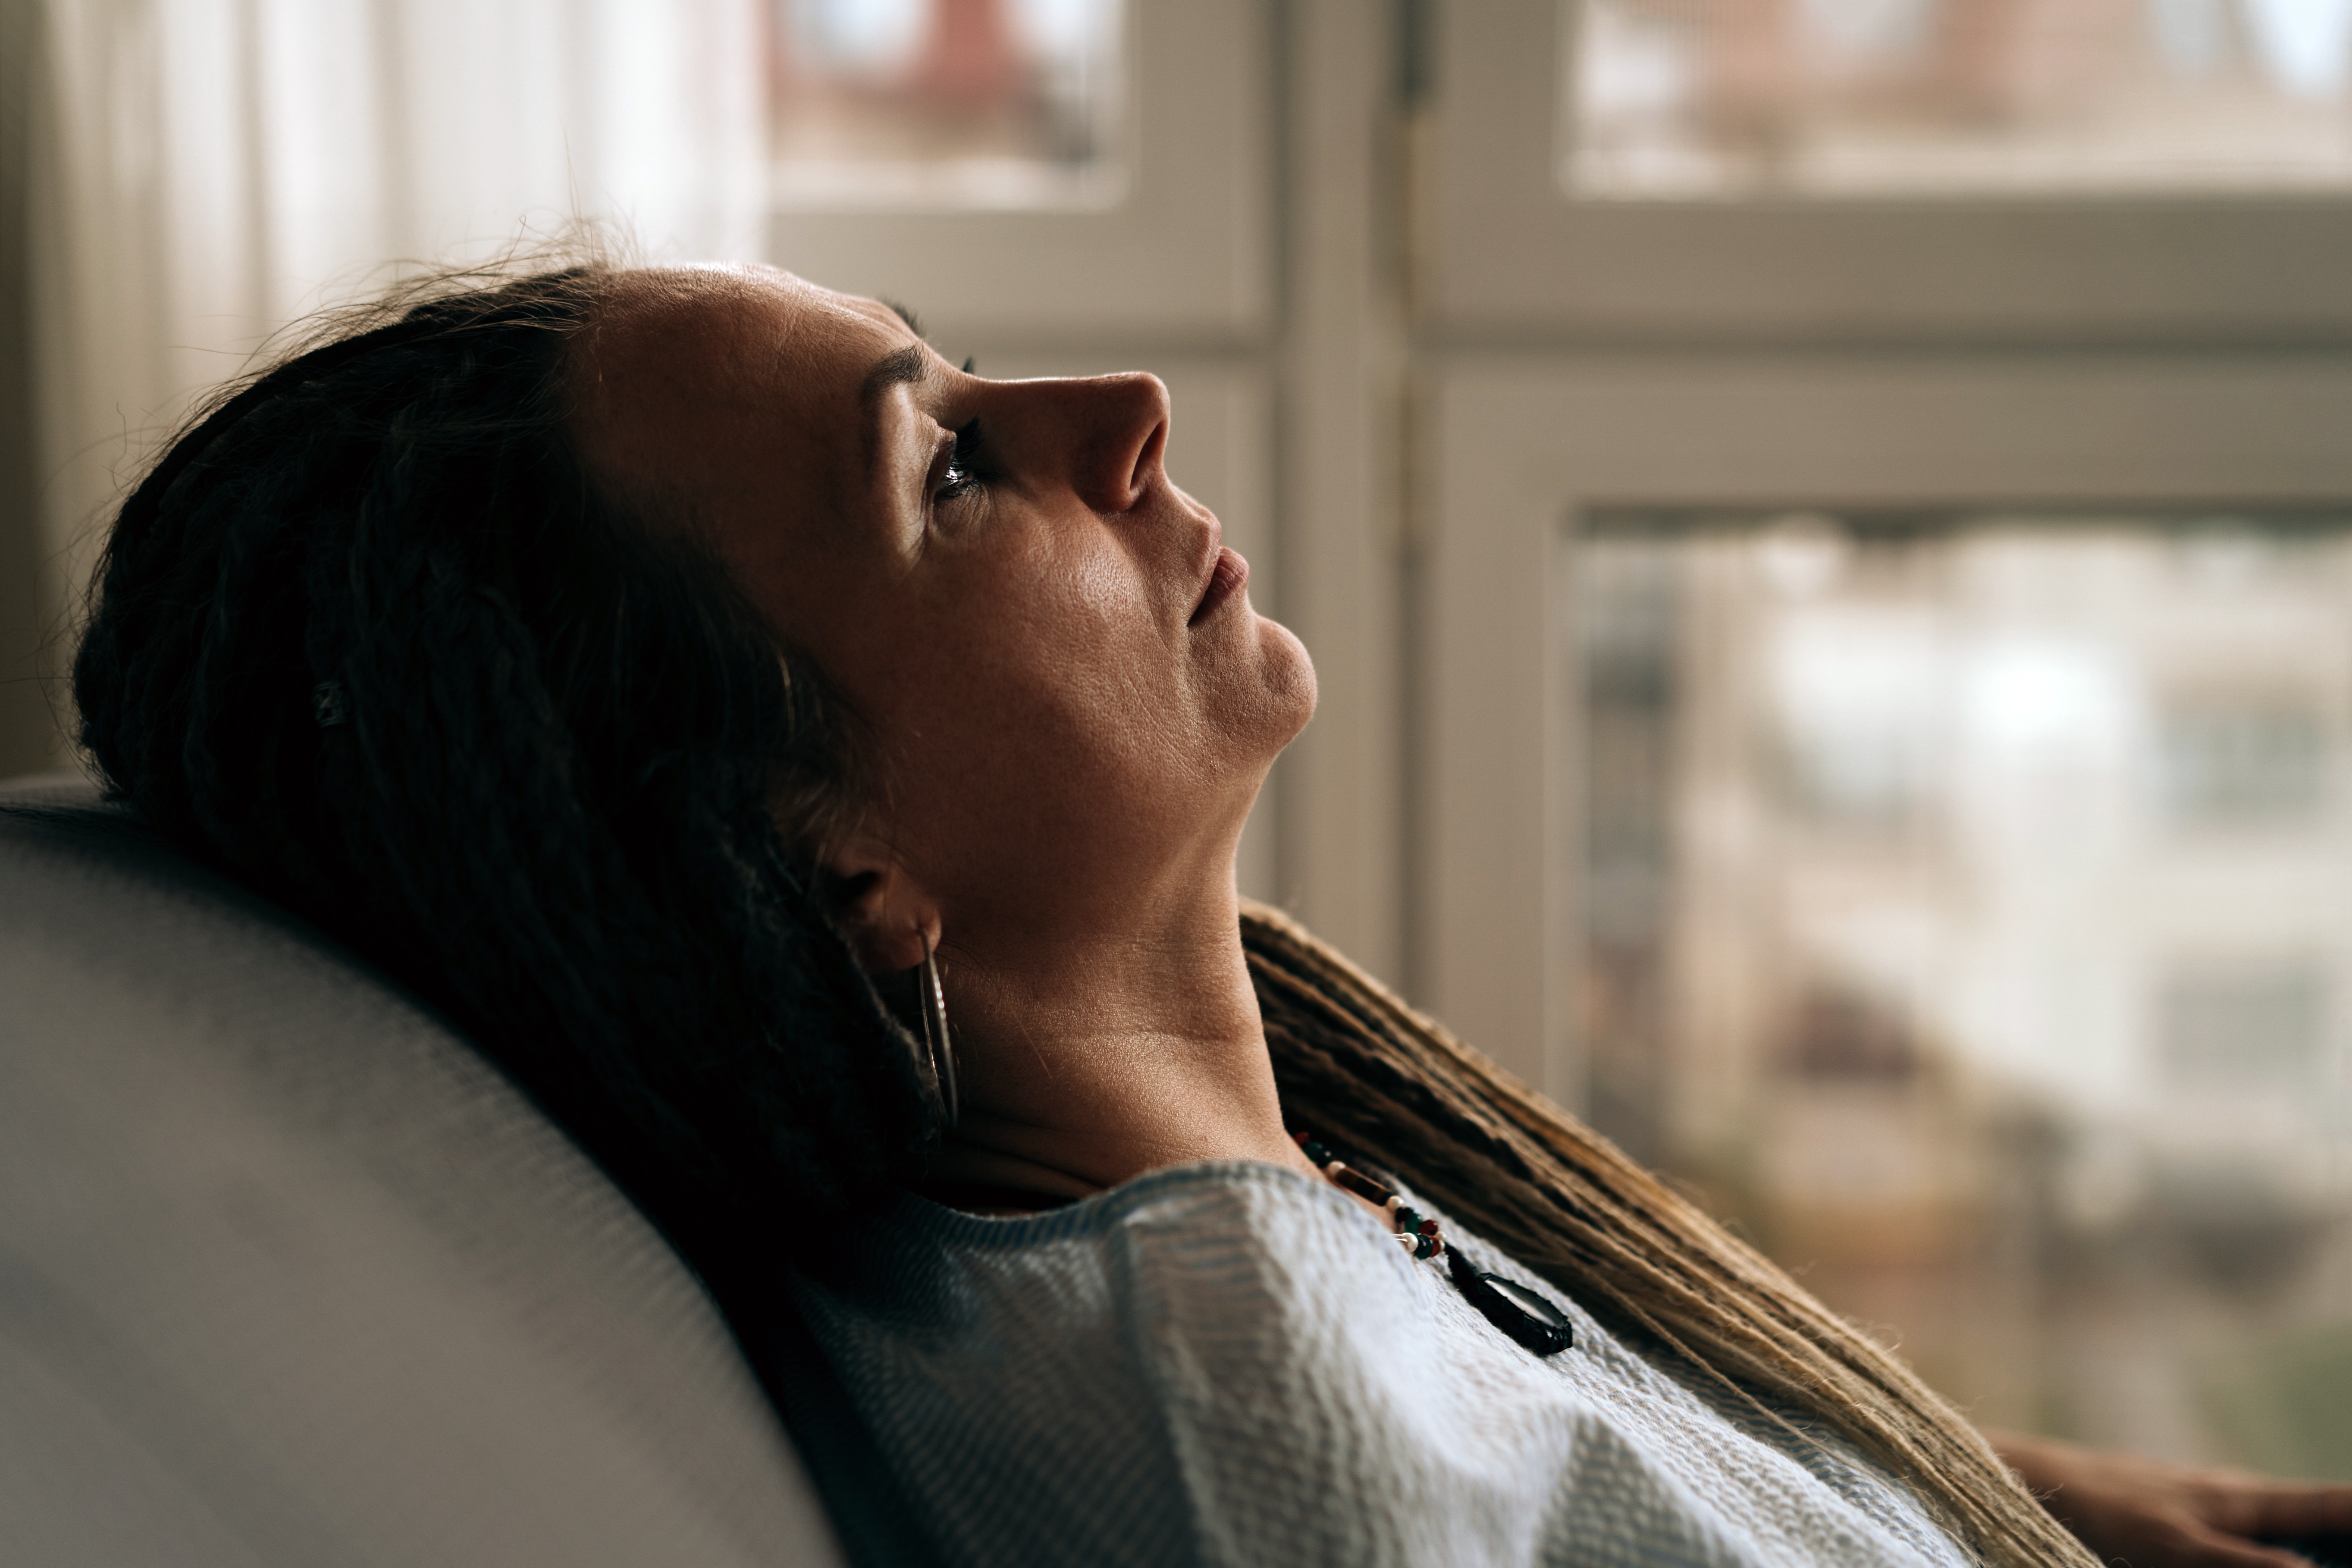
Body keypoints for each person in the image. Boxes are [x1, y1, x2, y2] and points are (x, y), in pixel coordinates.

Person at [71, 257, 2352, 1568]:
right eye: (949, 466)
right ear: (825, 858)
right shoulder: (1246, 1423)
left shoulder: (1211, 1239)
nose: (1126, 411)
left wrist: (1998, 1500)